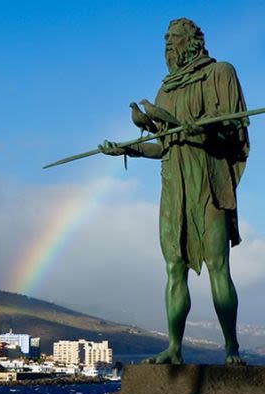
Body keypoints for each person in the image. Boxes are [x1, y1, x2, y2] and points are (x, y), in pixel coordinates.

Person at [102, 18, 249, 365]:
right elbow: (163, 146)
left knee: (218, 264)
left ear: (192, 42)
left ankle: (232, 348)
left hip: (208, 182)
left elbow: (235, 131)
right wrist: (128, 149)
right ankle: (174, 348)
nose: (168, 44)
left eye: (174, 38)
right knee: (174, 267)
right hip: (174, 187)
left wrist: (208, 131)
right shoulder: (164, 89)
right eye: (165, 39)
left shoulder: (220, 73)